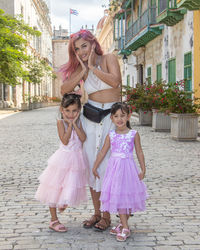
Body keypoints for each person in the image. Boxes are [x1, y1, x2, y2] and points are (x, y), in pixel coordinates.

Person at [60, 29, 122, 231]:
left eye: (84, 46)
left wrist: (93, 68)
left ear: (93, 44)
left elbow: (115, 82)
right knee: (92, 166)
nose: (81, 51)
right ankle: (97, 213)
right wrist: (82, 70)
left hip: (110, 119)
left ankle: (106, 215)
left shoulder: (108, 58)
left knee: (106, 167)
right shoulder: (82, 68)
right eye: (77, 49)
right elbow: (64, 89)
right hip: (90, 118)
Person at [92, 102, 148, 242]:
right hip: (115, 171)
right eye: (116, 116)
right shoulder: (111, 135)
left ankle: (123, 225)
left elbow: (139, 152)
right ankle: (124, 227)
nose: (119, 119)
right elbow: (102, 152)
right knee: (120, 197)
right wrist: (95, 166)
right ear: (111, 118)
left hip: (128, 169)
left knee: (127, 198)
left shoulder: (133, 134)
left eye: (123, 115)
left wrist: (143, 168)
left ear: (129, 116)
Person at [35, 93, 88, 232]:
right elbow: (65, 140)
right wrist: (69, 124)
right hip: (63, 159)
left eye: (75, 111)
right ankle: (53, 220)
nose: (71, 114)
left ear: (79, 110)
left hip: (76, 160)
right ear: (61, 110)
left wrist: (75, 124)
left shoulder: (80, 121)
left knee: (71, 184)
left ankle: (64, 202)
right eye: (68, 111)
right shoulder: (60, 122)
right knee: (54, 187)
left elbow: (83, 138)